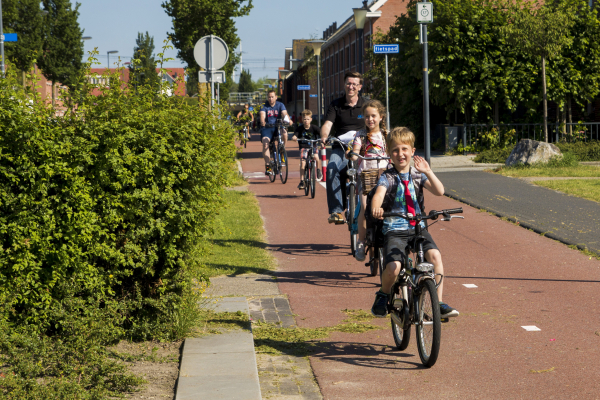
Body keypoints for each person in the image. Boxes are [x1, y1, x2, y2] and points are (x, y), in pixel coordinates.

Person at [370, 127, 459, 319]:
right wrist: (376, 208)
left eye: (404, 149)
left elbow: (440, 191)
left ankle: (439, 303)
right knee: (394, 267)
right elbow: (378, 195)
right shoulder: (387, 177)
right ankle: (383, 294)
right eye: (395, 150)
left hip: (417, 227)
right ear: (389, 154)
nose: (400, 154)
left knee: (435, 256)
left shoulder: (418, 174)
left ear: (412, 151)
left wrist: (428, 171)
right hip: (395, 229)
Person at [320, 71, 367, 224]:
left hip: (362, 147)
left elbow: (376, 122)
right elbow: (327, 124)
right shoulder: (336, 105)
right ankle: (337, 211)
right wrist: (324, 137)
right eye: (348, 83)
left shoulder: (366, 104)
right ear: (344, 85)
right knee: (332, 169)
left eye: (354, 84)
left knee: (374, 171)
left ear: (359, 86)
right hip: (340, 146)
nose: (351, 86)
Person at [349, 100, 390, 262]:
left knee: (387, 208)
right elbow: (355, 151)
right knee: (366, 209)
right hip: (366, 176)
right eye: (367, 116)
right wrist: (353, 154)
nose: (370, 119)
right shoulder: (360, 135)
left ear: (381, 117)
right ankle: (361, 241)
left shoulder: (387, 135)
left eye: (373, 116)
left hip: (385, 176)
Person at [259, 90, 289, 175]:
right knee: (265, 143)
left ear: (276, 97)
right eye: (269, 97)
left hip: (278, 126)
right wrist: (262, 121)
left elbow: (284, 113)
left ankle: (282, 150)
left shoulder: (280, 105)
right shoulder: (264, 106)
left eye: (272, 97)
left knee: (285, 134)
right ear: (267, 97)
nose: (271, 99)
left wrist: (288, 120)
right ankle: (268, 166)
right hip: (267, 128)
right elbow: (262, 115)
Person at [291, 109, 323, 189]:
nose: (306, 121)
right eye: (304, 119)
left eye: (308, 119)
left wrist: (322, 140)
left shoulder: (314, 128)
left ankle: (318, 170)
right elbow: (295, 135)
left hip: (313, 146)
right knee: (303, 163)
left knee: (316, 157)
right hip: (303, 147)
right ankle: (302, 181)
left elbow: (321, 134)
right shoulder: (300, 128)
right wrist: (294, 137)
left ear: (311, 119)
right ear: (302, 119)